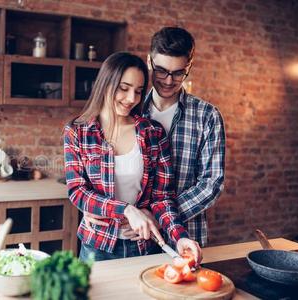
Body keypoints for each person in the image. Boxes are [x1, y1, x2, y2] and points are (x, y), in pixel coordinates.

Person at [84, 27, 226, 247]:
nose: (169, 81)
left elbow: (211, 184)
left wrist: (157, 216)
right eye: (161, 70)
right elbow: (95, 176)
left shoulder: (207, 116)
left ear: (189, 66)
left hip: (185, 235)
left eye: (179, 72)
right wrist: (92, 208)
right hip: (132, 239)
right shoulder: (128, 108)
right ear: (150, 62)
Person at [63, 51, 202, 263]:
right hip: (97, 247)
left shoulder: (153, 133)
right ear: (105, 83)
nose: (131, 99)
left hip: (144, 246)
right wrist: (127, 210)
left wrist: (180, 237)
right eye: (124, 88)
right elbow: (78, 192)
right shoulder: (77, 132)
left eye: (138, 91)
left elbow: (162, 198)